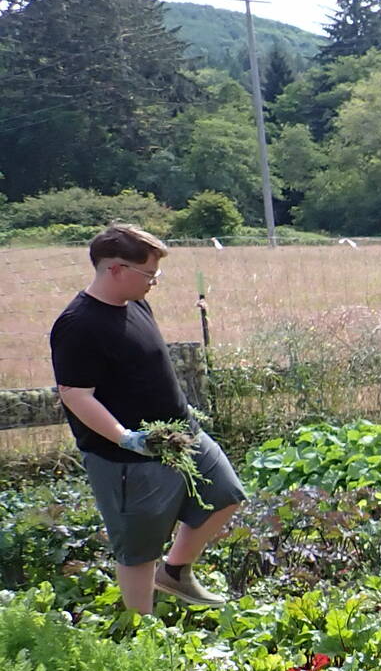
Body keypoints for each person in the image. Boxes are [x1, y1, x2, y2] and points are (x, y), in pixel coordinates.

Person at [49, 224, 244, 614]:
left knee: (226, 494)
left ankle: (174, 572)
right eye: (148, 274)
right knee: (139, 549)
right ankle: (144, 633)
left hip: (181, 436)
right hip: (127, 457)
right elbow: (74, 395)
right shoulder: (78, 325)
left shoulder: (135, 303)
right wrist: (125, 437)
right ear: (115, 269)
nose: (154, 282)